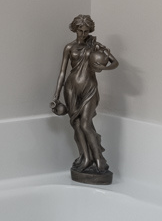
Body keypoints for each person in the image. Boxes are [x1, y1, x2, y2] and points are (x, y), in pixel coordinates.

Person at [50, 14, 118, 185]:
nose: (83, 34)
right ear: (75, 29)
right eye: (80, 30)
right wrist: (56, 96)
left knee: (86, 124)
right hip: (71, 88)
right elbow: (62, 73)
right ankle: (86, 158)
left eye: (86, 31)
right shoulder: (69, 47)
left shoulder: (94, 46)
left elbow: (115, 62)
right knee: (76, 124)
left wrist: (103, 68)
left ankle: (99, 159)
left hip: (89, 87)